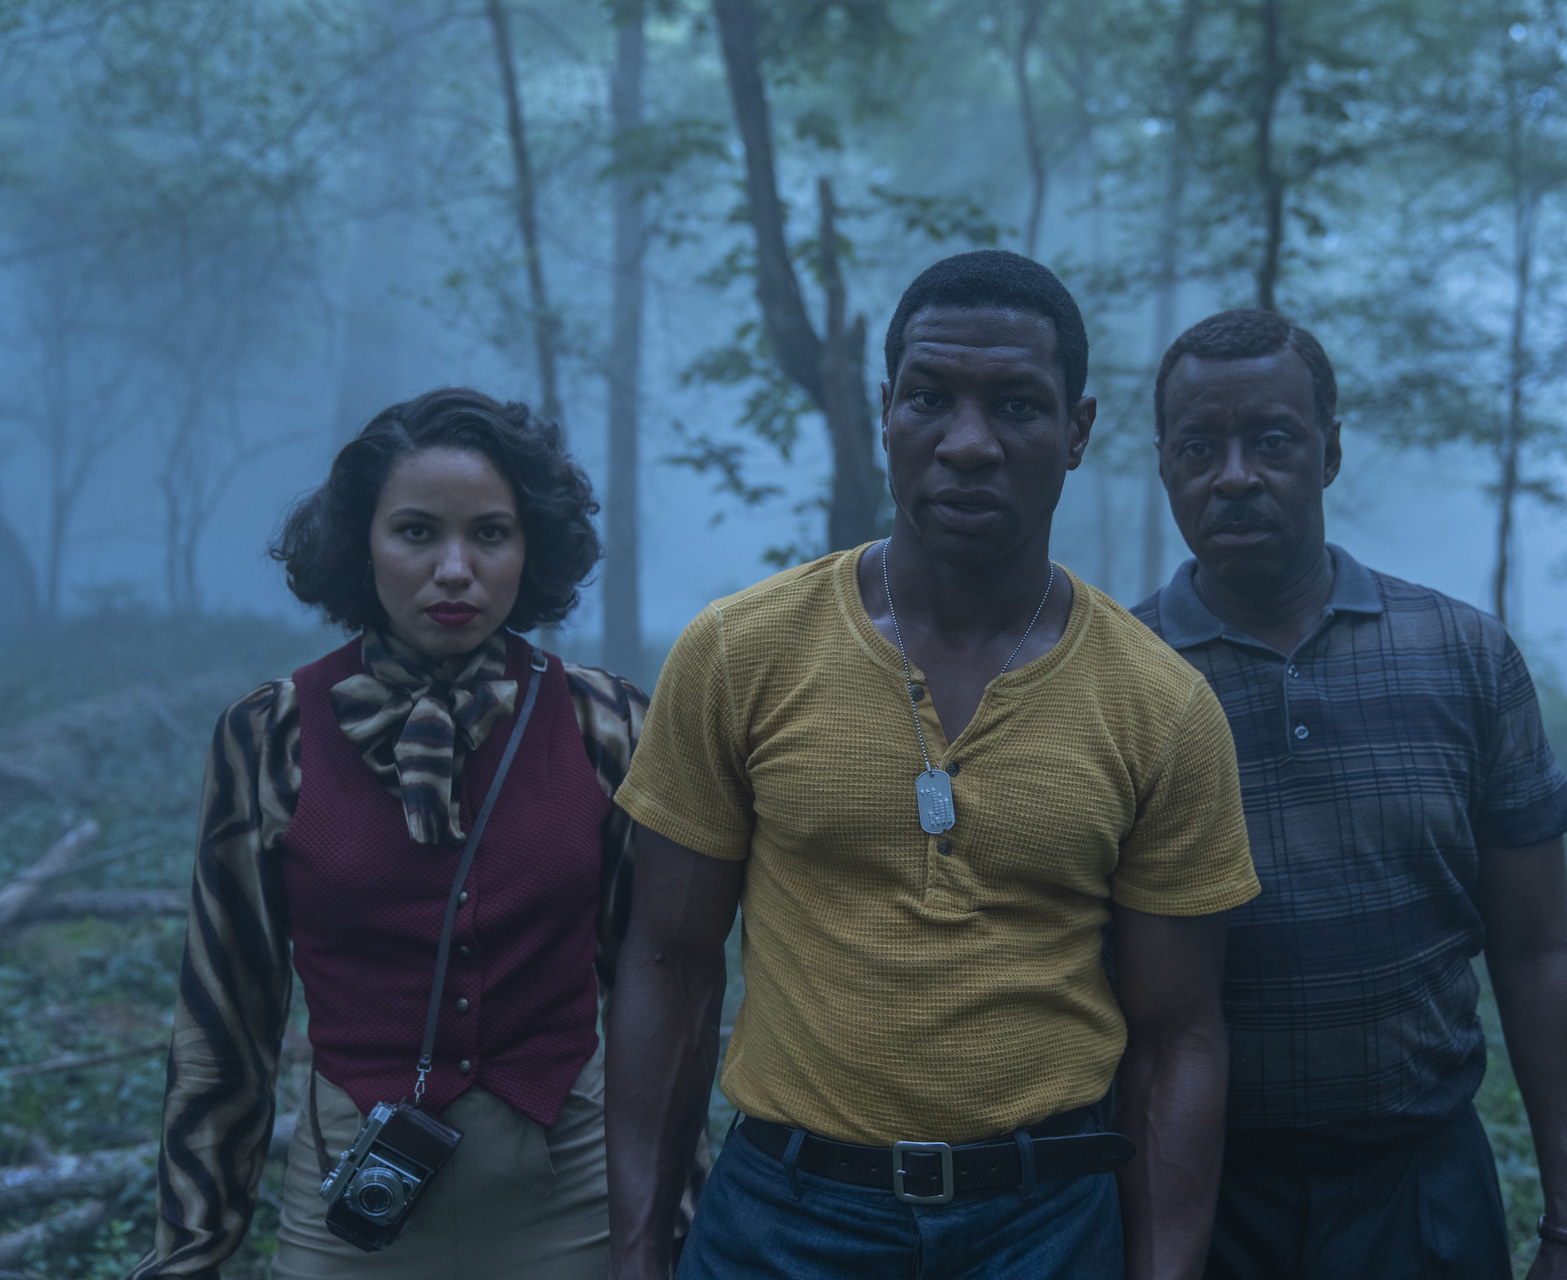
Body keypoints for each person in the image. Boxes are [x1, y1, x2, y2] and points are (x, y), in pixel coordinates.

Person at [604, 250, 1261, 1280]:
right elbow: (667, 961)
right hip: (782, 1217)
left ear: (1077, 432)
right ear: (884, 411)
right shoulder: (740, 653)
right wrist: (638, 1248)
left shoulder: (1159, 703)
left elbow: (1179, 1034)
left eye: (1015, 405)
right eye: (930, 399)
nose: (967, 443)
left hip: (1043, 1222)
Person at [130, 389, 670, 1279]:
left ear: (530, 545)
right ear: (361, 545)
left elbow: (653, 994)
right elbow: (227, 1016)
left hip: (570, 1196)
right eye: (417, 532)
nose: (454, 569)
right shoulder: (272, 735)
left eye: (489, 534)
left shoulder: (604, 724)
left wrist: (662, 1226)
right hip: (351, 1203)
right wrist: (192, 1249)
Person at [1132, 310, 1567, 1280]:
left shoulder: (1463, 655)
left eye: (1271, 440)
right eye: (1200, 446)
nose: (1234, 474)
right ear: (1165, 466)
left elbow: (1539, 946)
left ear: (1330, 451)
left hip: (1421, 1185)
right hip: (1195, 1190)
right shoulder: (1116, 675)